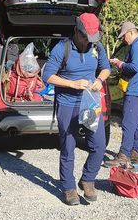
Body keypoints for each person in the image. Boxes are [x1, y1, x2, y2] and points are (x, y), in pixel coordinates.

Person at [42, 13, 111, 205]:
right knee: (68, 146)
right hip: (67, 103)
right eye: (84, 37)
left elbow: (106, 68)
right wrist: (72, 84)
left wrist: (99, 80)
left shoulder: (97, 47)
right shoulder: (61, 48)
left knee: (99, 145)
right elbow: (47, 76)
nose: (87, 42)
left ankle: (87, 180)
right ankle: (69, 188)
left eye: (91, 38)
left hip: (89, 103)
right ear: (76, 30)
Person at [105, 21, 138, 166]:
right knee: (137, 123)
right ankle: (136, 153)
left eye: (124, 36)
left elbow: (134, 67)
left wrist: (120, 64)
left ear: (131, 32)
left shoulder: (137, 46)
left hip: (135, 90)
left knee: (128, 123)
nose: (124, 39)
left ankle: (124, 154)